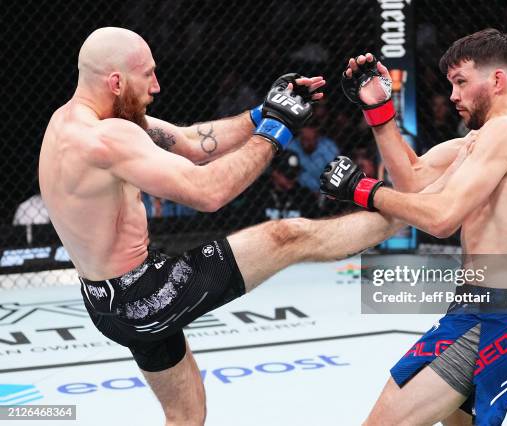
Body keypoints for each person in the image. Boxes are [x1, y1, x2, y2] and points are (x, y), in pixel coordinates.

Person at [38, 27, 402, 425]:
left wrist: (262, 113)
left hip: (107, 299)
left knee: (186, 415)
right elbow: (208, 192)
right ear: (116, 81)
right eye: (149, 75)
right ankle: (408, 211)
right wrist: (275, 131)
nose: (157, 86)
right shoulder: (106, 138)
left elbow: (193, 142)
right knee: (285, 236)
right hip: (143, 297)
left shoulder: (71, 121)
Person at [322, 29, 507, 425]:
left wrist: (361, 189)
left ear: (497, 80)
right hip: (483, 309)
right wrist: (379, 112)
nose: (453, 96)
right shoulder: (484, 139)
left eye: (461, 82)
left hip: (492, 318)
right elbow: (413, 178)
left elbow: (441, 217)